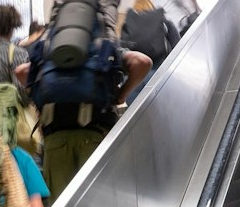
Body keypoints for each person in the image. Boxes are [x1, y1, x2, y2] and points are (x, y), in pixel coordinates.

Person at [16, 21, 152, 197]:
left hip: (56, 138)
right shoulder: (101, 47)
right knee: (98, 206)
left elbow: (21, 71)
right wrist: (121, 96)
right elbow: (142, 62)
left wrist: (40, 100)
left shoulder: (49, 52)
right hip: (95, 135)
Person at [121, 0, 179, 72]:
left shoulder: (129, 22)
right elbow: (177, 44)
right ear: (151, 3)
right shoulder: (163, 20)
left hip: (137, 65)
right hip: (159, 64)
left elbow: (123, 44)